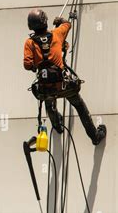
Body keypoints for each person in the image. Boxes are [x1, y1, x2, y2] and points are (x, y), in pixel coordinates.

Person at [23, 8, 106, 145]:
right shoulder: (57, 34)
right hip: (63, 85)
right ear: (45, 21)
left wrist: (35, 67)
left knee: (49, 104)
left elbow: (27, 64)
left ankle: (57, 126)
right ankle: (95, 136)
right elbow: (68, 24)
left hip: (46, 89)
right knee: (79, 105)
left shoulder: (30, 43)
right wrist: (60, 21)